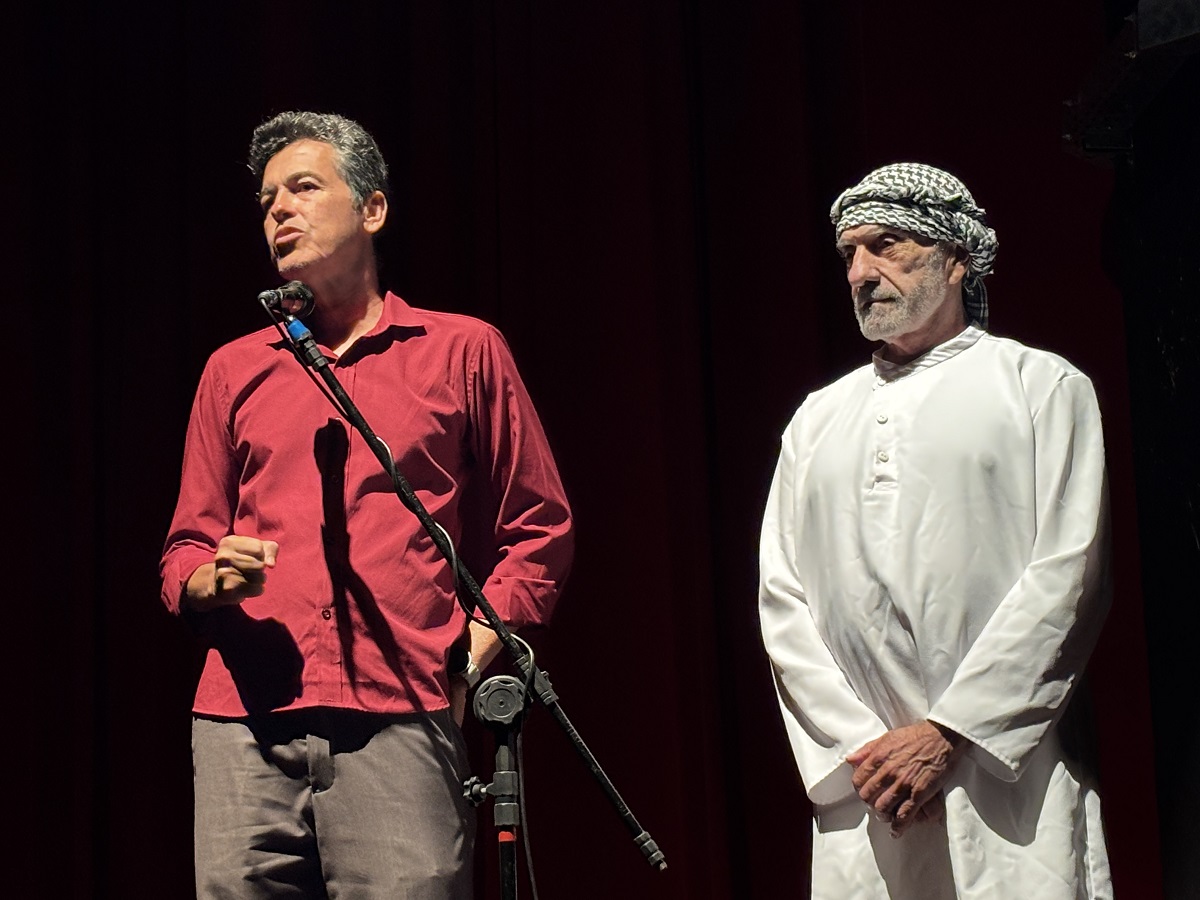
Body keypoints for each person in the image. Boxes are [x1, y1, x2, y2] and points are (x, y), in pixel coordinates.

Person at [160, 110, 574, 899]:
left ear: (371, 209)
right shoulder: (232, 370)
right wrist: (209, 580)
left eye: (304, 188)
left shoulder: (462, 350)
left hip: (402, 711)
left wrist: (484, 636)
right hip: (243, 724)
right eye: (267, 200)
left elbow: (539, 526)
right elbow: (186, 547)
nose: (277, 209)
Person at [757, 162, 1112, 899]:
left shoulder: (1042, 387)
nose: (860, 271)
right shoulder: (817, 419)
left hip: (1006, 775)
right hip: (870, 787)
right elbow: (782, 599)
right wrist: (868, 751)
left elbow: (1069, 575)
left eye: (886, 245)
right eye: (848, 254)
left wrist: (950, 733)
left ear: (956, 257)